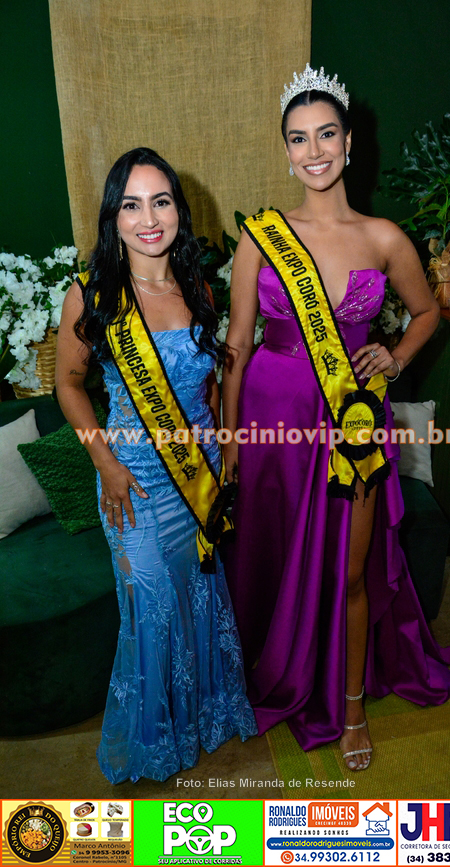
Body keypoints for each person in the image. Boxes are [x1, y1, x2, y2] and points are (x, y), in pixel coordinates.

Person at [222, 65, 450, 771]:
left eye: (326, 134)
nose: (314, 150)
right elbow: (237, 346)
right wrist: (230, 442)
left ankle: (350, 706)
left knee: (351, 571)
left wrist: (394, 354)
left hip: (351, 424)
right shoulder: (260, 237)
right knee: (266, 555)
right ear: (286, 151)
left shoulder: (383, 237)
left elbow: (427, 312)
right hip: (270, 422)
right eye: (299, 138)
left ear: (349, 142)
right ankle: (270, 670)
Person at [56, 147, 256, 784]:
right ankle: (151, 740)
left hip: (196, 477)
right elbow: (67, 384)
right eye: (131, 204)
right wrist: (106, 464)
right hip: (134, 482)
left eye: (161, 201)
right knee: (151, 610)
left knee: (197, 597)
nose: (148, 219)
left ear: (178, 211)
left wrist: (223, 446)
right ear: (112, 218)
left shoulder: (197, 287)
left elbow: (209, 383)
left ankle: (201, 716)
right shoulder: (90, 295)